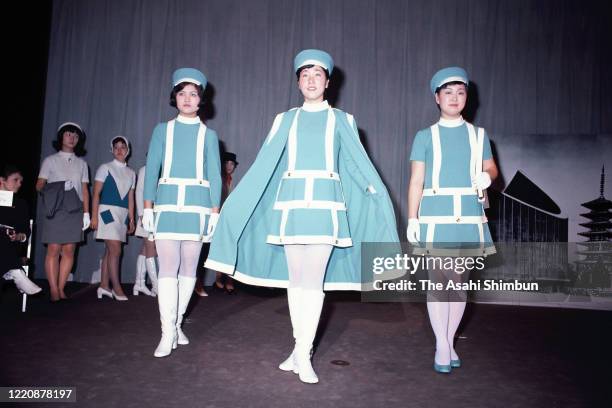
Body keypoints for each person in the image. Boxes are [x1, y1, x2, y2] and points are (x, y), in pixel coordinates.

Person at [205, 49, 399, 384]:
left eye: (317, 75)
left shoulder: (343, 120)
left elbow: (357, 164)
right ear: (298, 82)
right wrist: (236, 203)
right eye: (304, 75)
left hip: (326, 209)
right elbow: (265, 166)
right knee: (297, 282)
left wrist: (377, 195)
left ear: (327, 82)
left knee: (314, 282)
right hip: (292, 209)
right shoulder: (284, 119)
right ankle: (300, 349)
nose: (311, 81)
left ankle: (303, 353)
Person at [406, 67, 498, 373]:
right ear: (437, 97)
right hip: (435, 215)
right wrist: (412, 217)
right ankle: (443, 346)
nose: (454, 98)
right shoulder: (424, 136)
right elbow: (416, 180)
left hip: (469, 216)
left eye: (460, 92)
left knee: (458, 283)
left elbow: (493, 169)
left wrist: (488, 176)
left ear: (467, 97)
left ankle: (447, 341)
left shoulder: (479, 135)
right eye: (448, 92)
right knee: (438, 282)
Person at [143, 68, 222, 358]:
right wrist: (147, 207)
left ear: (201, 100)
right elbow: (152, 169)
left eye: (193, 94)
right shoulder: (162, 130)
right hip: (166, 206)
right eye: (182, 93)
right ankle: (166, 332)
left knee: (190, 269)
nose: (187, 99)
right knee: (167, 269)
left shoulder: (209, 135)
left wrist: (215, 212)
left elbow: (215, 173)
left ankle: (177, 325)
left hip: (198, 208)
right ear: (174, 98)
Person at [36, 122, 90, 302]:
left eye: (75, 136)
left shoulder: (82, 164)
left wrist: (86, 213)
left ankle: (60, 288)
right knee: (53, 248)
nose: (72, 138)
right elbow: (39, 186)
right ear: (61, 137)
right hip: (56, 209)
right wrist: (59, 187)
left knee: (69, 250)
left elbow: (84, 190)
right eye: (69, 134)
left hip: (75, 209)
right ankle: (52, 289)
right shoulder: (50, 160)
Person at [90, 136, 136, 301]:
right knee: (116, 249)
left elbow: (131, 197)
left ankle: (103, 285)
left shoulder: (132, 173)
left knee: (110, 251)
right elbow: (96, 194)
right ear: (112, 150)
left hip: (122, 214)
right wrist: (94, 216)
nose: (119, 150)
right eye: (116, 147)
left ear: (128, 151)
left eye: (122, 147)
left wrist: (131, 218)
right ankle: (117, 288)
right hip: (106, 212)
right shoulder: (105, 167)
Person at [0, 164, 42, 295]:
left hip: (10, 245)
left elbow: (25, 230)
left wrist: (19, 236)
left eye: (21, 181)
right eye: (15, 180)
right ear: (2, 180)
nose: (19, 184)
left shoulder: (21, 204)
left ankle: (14, 271)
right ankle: (15, 272)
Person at [211, 151, 238, 294]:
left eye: (232, 164)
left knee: (226, 247)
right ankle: (220, 278)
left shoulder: (231, 180)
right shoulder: (219, 179)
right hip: (217, 216)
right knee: (219, 247)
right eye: (227, 163)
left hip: (227, 218)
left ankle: (223, 279)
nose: (229, 166)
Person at [133, 164, 158, 297]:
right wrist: (141, 214)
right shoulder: (145, 169)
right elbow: (139, 191)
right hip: (147, 215)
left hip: (159, 214)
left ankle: (140, 283)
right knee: (151, 247)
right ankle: (156, 286)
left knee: (145, 248)